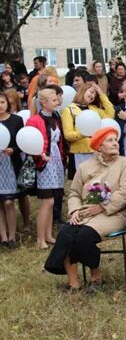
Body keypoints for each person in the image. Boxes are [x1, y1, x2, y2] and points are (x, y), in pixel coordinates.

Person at [44, 127, 126, 292]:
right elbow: (74, 194)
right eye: (110, 140)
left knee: (83, 235)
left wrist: (102, 206)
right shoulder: (85, 166)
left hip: (114, 213)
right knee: (66, 233)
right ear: (99, 146)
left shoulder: (124, 164)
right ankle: (74, 284)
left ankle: (96, 277)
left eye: (116, 140)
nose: (115, 143)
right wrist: (74, 211)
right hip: (85, 213)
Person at [26, 88, 65, 249]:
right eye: (54, 100)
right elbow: (29, 141)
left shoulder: (56, 117)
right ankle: (40, 238)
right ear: (44, 103)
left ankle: (48, 235)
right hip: (44, 163)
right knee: (47, 201)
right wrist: (39, 154)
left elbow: (59, 140)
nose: (58, 102)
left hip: (56, 161)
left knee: (53, 200)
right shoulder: (34, 120)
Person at [61, 82, 115, 169]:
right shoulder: (69, 110)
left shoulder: (94, 109)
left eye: (95, 95)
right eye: (91, 92)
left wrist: (101, 94)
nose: (92, 96)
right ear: (83, 90)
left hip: (95, 151)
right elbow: (68, 135)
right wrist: (84, 133)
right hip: (79, 153)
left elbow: (110, 114)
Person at [0, 92, 24, 249]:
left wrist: (13, 150)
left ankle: (12, 236)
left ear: (7, 103)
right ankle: (3, 237)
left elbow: (22, 142)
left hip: (10, 165)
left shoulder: (16, 120)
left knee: (9, 202)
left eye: (2, 102)